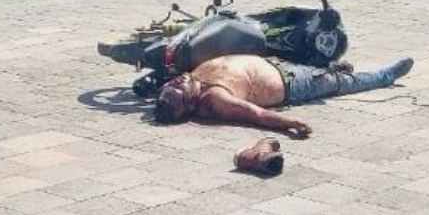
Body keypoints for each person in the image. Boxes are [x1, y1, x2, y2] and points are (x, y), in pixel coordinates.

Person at [154, 54, 414, 138]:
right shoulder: (215, 98)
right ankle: (385, 76)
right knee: (340, 84)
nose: (178, 80)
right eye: (179, 88)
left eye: (172, 83)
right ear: (190, 103)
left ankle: (331, 68)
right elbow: (256, 115)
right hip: (292, 85)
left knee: (317, 66)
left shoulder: (192, 78)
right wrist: (289, 124)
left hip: (275, 64)